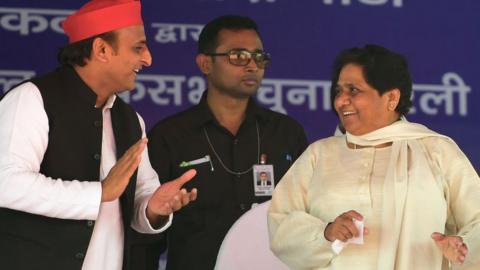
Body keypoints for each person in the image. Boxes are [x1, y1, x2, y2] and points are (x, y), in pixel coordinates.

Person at [0, 1, 197, 270]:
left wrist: (153, 208)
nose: (148, 59)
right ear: (102, 49)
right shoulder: (32, 99)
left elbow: (139, 199)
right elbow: (6, 184)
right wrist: (100, 192)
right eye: (138, 48)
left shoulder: (130, 119)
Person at [268, 44, 480, 269]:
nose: (341, 101)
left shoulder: (436, 150)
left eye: (354, 91)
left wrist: (462, 247)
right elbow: (280, 224)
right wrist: (326, 233)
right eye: (338, 91)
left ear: (391, 98)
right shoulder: (319, 154)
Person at [146, 15, 308, 270]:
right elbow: (144, 233)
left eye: (258, 57)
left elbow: (307, 219)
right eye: (238, 56)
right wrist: (154, 214)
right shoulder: (171, 135)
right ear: (205, 63)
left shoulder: (285, 132)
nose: (252, 65)